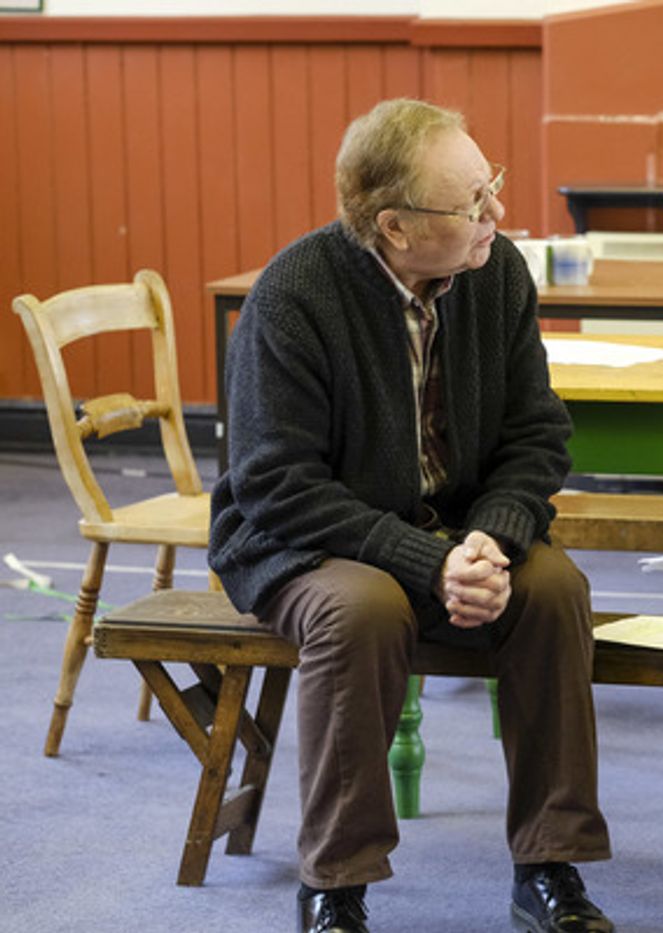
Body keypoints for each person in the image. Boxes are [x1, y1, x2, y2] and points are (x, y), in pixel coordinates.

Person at [209, 98, 613, 933]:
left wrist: (491, 540)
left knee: (556, 589)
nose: (497, 213)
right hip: (305, 538)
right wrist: (429, 562)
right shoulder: (294, 295)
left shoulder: (496, 272)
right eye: (473, 202)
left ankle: (550, 864)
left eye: (490, 184)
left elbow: (537, 434)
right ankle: (335, 884)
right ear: (394, 227)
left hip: (460, 526)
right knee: (363, 606)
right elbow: (276, 484)